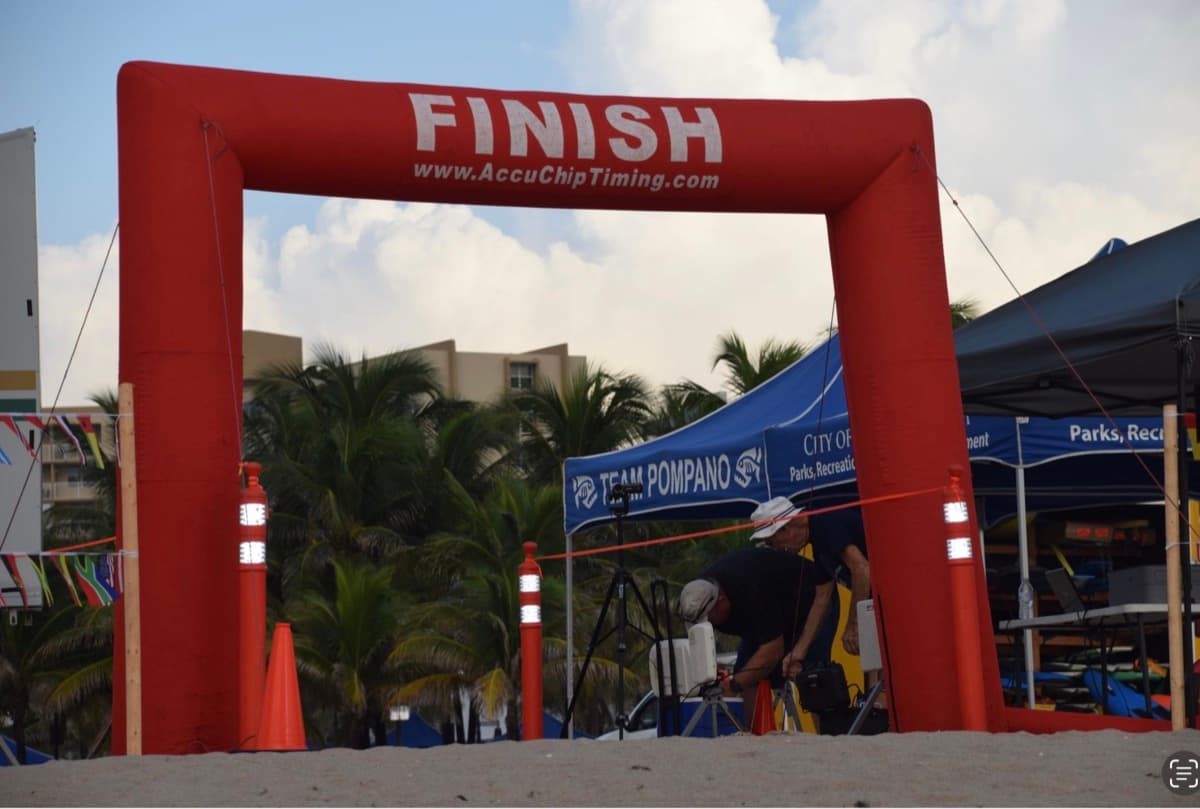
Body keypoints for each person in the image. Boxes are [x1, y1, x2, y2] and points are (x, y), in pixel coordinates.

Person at [677, 543, 821, 728]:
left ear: (721, 600)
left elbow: (773, 650)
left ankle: (828, 735)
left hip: (812, 601)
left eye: (709, 620)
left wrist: (734, 685)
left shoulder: (749, 588)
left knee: (813, 676)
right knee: (747, 674)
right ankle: (754, 735)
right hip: (767, 615)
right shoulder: (699, 593)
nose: (709, 626)